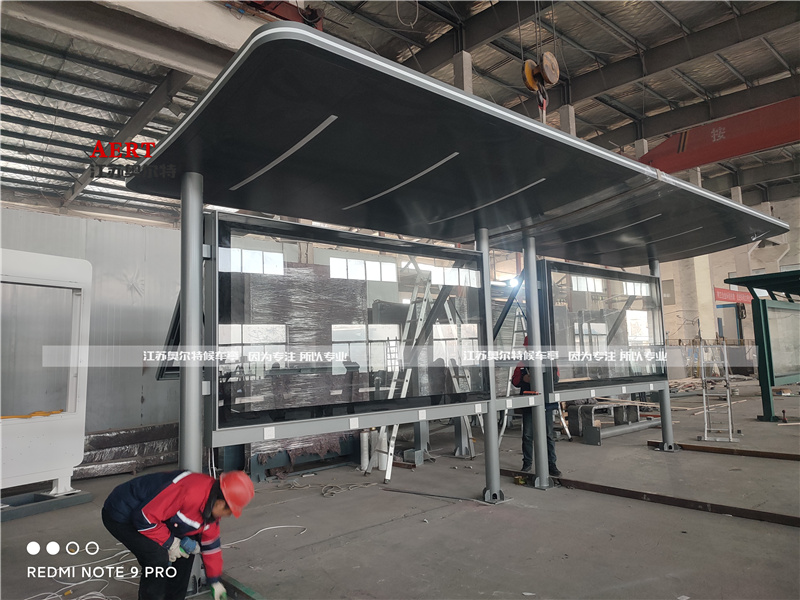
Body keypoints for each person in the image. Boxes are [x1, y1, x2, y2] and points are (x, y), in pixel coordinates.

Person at [102, 469, 255, 600]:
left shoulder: (210, 506)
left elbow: (211, 546)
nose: (227, 516)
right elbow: (144, 518)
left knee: (186, 551)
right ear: (221, 503)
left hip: (151, 516)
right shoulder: (189, 491)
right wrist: (170, 543)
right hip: (122, 514)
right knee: (157, 558)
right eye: (229, 512)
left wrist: (214, 580)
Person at [512, 337, 561, 477]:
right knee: (528, 435)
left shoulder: (549, 360)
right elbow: (515, 381)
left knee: (548, 435)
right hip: (529, 402)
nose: (529, 349)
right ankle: (527, 464)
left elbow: (556, 378)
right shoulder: (522, 363)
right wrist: (524, 379)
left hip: (546, 402)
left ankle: (552, 464)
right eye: (528, 347)